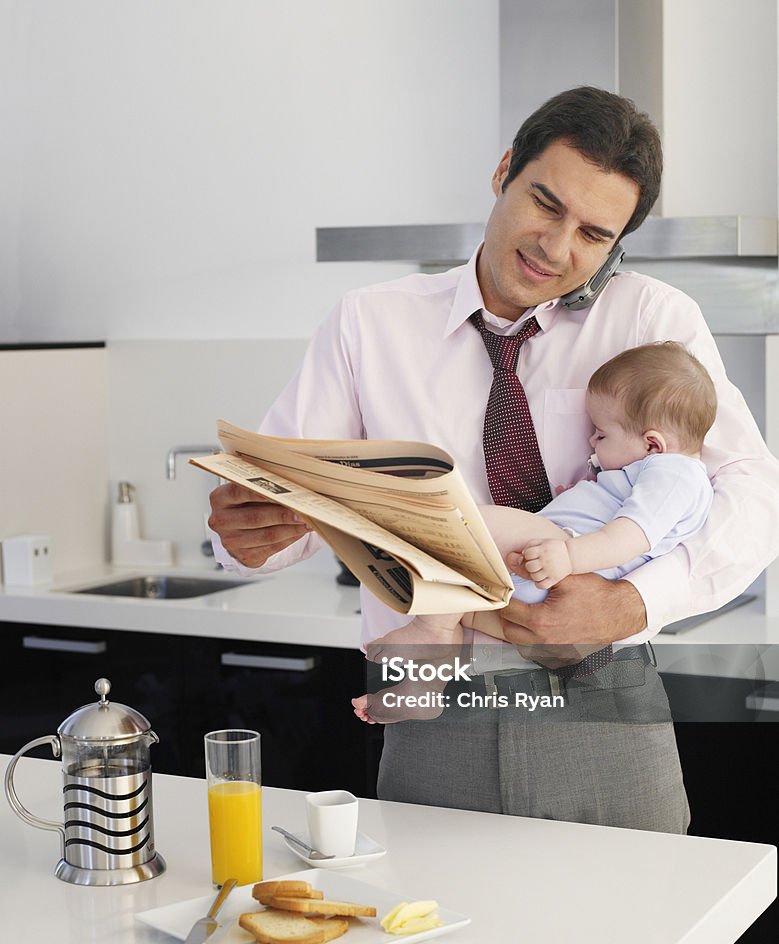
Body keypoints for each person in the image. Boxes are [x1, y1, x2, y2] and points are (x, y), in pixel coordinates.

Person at [209, 87, 779, 832]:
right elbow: (289, 514)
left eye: (592, 234)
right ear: (503, 169)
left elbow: (752, 490)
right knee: (431, 934)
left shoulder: (651, 318)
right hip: (426, 699)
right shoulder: (368, 322)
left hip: (602, 697)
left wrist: (632, 601)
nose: (555, 247)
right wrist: (250, 536)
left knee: (627, 935)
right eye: (544, 203)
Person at [353, 340, 716, 724]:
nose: (592, 443)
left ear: (653, 443)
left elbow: (630, 536)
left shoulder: (674, 473)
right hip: (546, 585)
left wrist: (569, 555)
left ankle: (430, 630)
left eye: (602, 434)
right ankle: (423, 691)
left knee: (462, 525)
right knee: (462, 603)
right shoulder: (651, 471)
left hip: (565, 558)